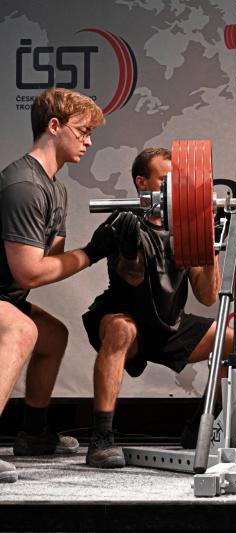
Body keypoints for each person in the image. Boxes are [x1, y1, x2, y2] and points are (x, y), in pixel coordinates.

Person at [81, 147, 233, 468]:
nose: (173, 188)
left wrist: (208, 242)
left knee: (230, 340)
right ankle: (101, 438)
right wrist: (128, 250)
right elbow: (132, 278)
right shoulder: (125, 220)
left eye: (178, 182)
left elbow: (207, 295)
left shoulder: (186, 226)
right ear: (142, 183)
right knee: (121, 329)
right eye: (165, 180)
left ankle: (200, 429)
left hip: (168, 323)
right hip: (128, 321)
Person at [0, 88, 111, 483]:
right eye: (82, 131)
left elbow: (53, 259)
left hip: (6, 295)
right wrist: (93, 252)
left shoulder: (55, 188)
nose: (88, 141)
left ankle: (33, 434)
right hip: (6, 293)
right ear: (54, 126)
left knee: (53, 335)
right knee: (22, 330)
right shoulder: (24, 185)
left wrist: (103, 245)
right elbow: (30, 273)